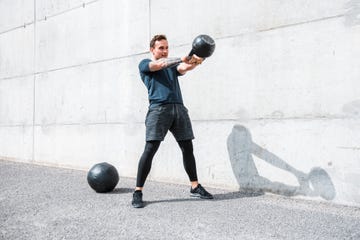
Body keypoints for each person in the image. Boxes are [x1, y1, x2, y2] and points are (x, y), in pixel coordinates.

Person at [132, 34, 213, 208]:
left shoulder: (172, 66)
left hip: (179, 108)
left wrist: (200, 58)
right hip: (158, 110)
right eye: (161, 48)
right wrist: (180, 59)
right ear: (152, 49)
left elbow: (185, 67)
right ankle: (138, 191)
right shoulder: (145, 64)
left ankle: (195, 186)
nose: (164, 51)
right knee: (150, 149)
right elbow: (159, 65)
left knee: (187, 148)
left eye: (167, 47)